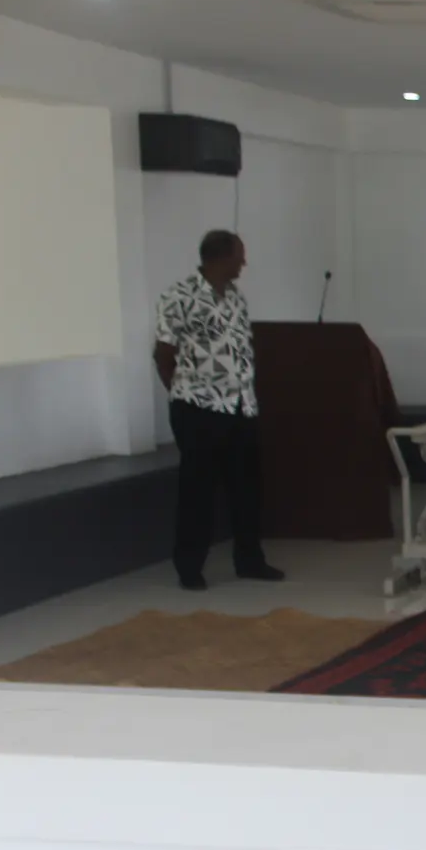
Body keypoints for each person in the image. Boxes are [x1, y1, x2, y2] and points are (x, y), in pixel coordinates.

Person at [154, 230, 283, 590]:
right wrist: (185, 394)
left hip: (241, 407)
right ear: (221, 258)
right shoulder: (179, 296)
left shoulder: (236, 298)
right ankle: (189, 567)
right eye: (240, 256)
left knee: (246, 490)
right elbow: (163, 354)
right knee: (198, 492)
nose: (244, 263)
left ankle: (250, 560)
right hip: (198, 409)